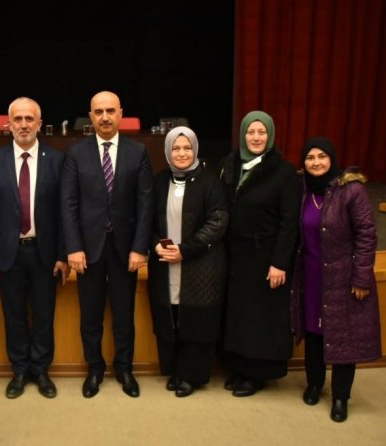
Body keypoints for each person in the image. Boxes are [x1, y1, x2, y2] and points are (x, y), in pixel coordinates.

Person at [60, 91, 153, 398]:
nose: (105, 117)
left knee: (124, 314)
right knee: (91, 315)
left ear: (120, 113)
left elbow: (145, 204)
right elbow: (68, 204)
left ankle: (124, 368)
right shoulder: (76, 153)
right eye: (98, 112)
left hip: (125, 249)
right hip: (88, 250)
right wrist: (73, 247)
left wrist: (140, 248)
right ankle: (95, 369)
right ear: (90, 117)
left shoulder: (138, 152)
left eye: (110, 111)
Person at [0, 97, 69, 399]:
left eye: (29, 119)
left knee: (44, 314)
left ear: (39, 124)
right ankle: (19, 370)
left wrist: (62, 254)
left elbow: (63, 212)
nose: (24, 124)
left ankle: (41, 370)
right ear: (9, 125)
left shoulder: (56, 159)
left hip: (45, 253)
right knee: (14, 314)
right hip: (9, 253)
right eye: (17, 119)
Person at [291, 137, 382, 422]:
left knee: (344, 337)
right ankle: (314, 384)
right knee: (314, 333)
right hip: (311, 276)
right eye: (310, 158)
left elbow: (367, 235)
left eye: (322, 156)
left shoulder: (351, 190)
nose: (316, 162)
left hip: (343, 277)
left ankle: (341, 396)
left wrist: (362, 277)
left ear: (332, 159)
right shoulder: (302, 190)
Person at [219, 110, 300, 397]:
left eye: (261, 132)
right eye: (251, 132)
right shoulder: (231, 165)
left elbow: (289, 222)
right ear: (243, 135)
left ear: (270, 135)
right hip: (236, 255)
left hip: (266, 257)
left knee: (259, 317)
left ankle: (256, 375)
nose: (256, 137)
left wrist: (280, 263)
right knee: (238, 314)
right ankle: (239, 368)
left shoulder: (284, 172)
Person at [147, 126, 228, 397]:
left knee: (197, 320)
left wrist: (186, 250)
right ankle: (176, 371)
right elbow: (147, 220)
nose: (181, 153)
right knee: (172, 317)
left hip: (201, 264)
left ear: (195, 150)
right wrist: (156, 243)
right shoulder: (159, 181)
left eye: (187, 148)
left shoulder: (210, 181)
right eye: (175, 148)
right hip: (166, 263)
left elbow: (217, 221)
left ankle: (192, 375)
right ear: (167, 151)